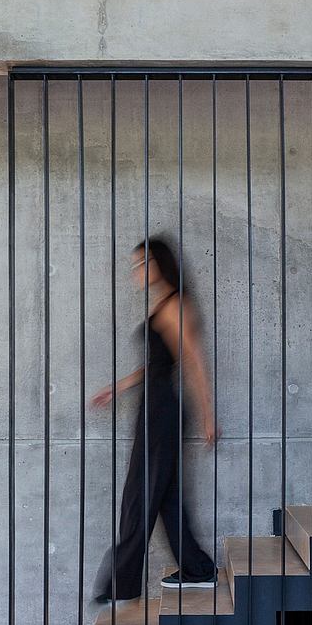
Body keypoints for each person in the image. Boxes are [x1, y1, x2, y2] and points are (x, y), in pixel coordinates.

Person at [90, 237, 217, 603]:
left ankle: (120, 584)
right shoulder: (165, 305)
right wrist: (117, 387)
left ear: (160, 262)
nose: (138, 271)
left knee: (140, 494)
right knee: (165, 497)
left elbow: (193, 362)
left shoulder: (176, 305)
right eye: (134, 265)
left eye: (143, 262)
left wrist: (208, 416)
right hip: (157, 406)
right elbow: (156, 365)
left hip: (162, 411)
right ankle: (197, 569)